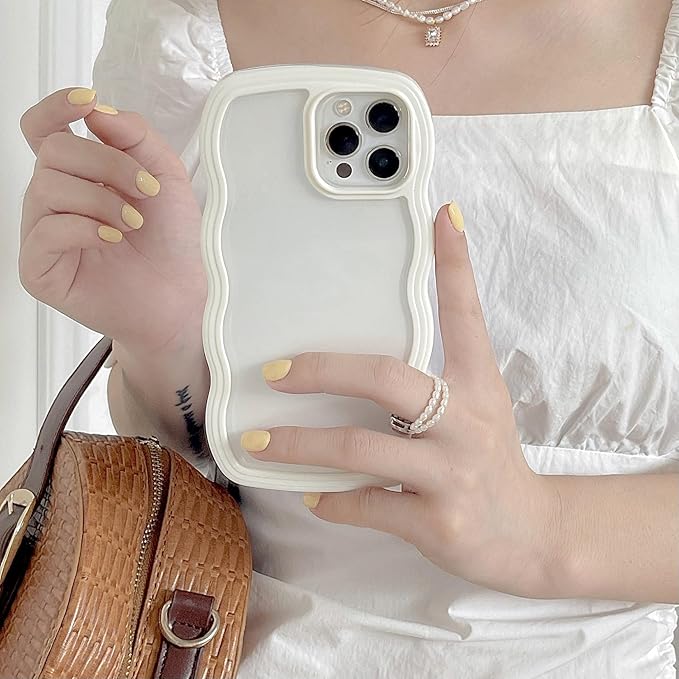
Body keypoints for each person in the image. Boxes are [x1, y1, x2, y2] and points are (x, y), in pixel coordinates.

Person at [16, 0, 679, 676]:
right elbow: (191, 451)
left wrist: (543, 525)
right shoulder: (184, 30)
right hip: (238, 648)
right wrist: (163, 338)